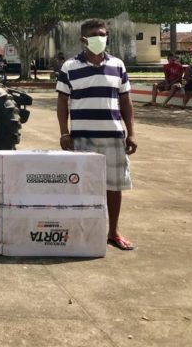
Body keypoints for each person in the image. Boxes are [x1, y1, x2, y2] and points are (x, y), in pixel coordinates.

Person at [56, 19, 137, 251]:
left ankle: (113, 232)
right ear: (83, 40)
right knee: (83, 188)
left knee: (114, 186)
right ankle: (85, 231)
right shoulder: (70, 67)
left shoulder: (118, 65)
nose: (100, 38)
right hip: (83, 137)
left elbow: (125, 101)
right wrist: (64, 133)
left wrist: (131, 133)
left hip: (113, 136)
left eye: (103, 34)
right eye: (94, 34)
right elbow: (62, 102)